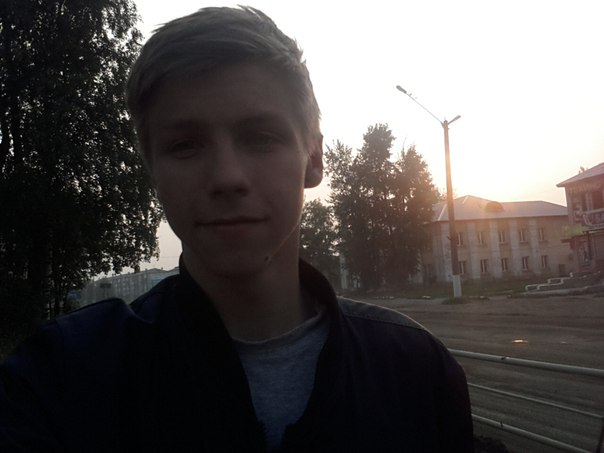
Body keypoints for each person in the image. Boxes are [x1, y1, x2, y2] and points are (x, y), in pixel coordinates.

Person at [0, 6, 473, 452]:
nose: (227, 177)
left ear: (314, 159)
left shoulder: (415, 370)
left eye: (260, 138)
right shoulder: (59, 380)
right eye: (186, 145)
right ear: (152, 168)